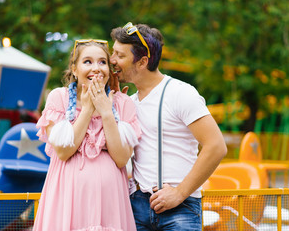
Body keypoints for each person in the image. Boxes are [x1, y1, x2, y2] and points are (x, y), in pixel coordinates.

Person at [110, 22, 228, 230]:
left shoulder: (181, 93)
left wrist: (180, 193)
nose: (112, 61)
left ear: (142, 62)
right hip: (137, 205)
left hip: (180, 207)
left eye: (120, 55)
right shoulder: (129, 101)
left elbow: (216, 146)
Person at [33, 39, 141, 231]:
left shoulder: (123, 103)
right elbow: (64, 152)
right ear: (74, 69)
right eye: (87, 62)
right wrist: (88, 109)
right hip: (67, 203)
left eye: (102, 62)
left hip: (110, 206)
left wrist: (106, 112)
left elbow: (122, 158)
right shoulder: (59, 98)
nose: (96, 68)